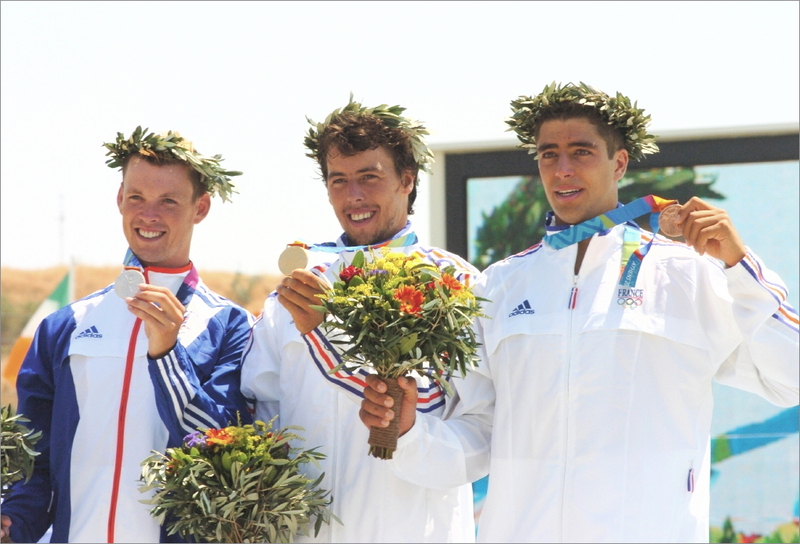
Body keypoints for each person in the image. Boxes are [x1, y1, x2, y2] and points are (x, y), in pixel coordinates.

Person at [356, 82, 800, 542]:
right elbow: (478, 435)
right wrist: (410, 433)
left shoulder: (687, 275)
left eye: (581, 152)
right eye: (549, 154)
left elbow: (790, 377)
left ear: (619, 163)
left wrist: (740, 265)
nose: (562, 169)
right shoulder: (500, 286)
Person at [240, 97, 478, 542]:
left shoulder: (457, 286)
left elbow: (480, 430)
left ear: (407, 180)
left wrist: (325, 330)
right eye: (339, 180)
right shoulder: (291, 294)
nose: (354, 196)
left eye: (369, 177)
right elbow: (263, 411)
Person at [1, 127, 254, 543]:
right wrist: (14, 523)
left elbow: (222, 447)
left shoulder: (230, 325)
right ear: (120, 199)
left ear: (201, 207)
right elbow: (35, 459)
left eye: (168, 201)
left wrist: (167, 354)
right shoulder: (64, 326)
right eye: (136, 197)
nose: (148, 214)